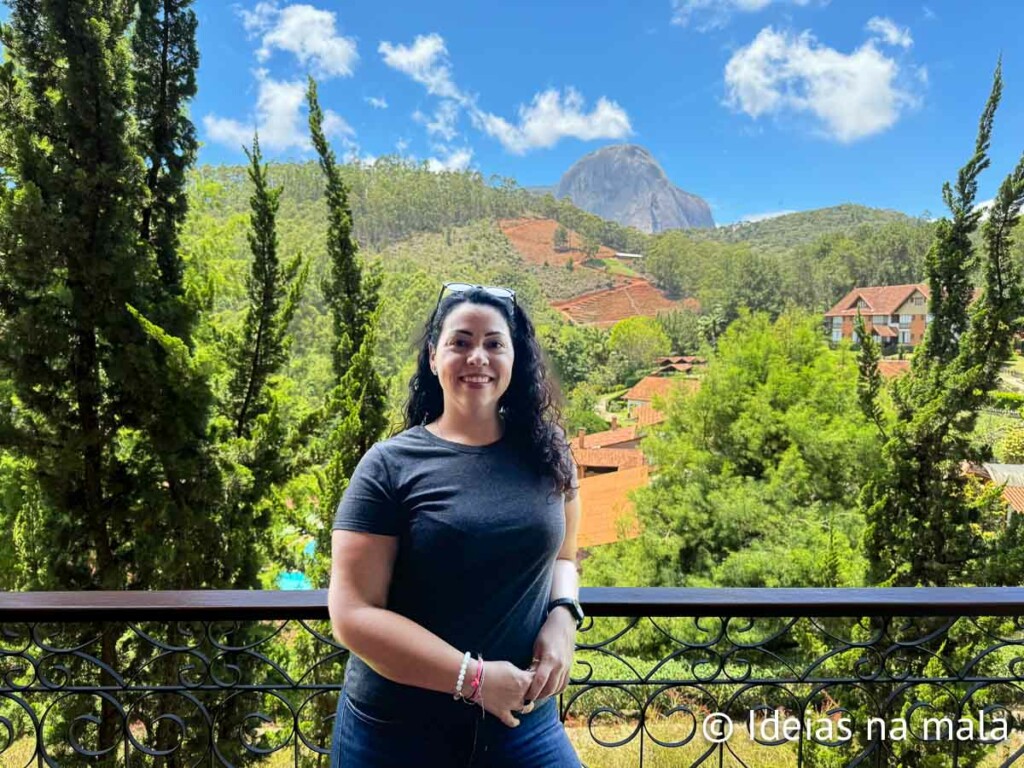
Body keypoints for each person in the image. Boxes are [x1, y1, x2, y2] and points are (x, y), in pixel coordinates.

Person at [327, 282, 584, 767]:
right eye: (460, 342)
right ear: (432, 357)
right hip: (399, 733)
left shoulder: (548, 453)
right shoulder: (389, 465)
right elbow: (353, 613)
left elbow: (566, 556)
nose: (478, 357)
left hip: (523, 724)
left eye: (493, 344)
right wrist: (476, 680)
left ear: (515, 359)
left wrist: (564, 616)